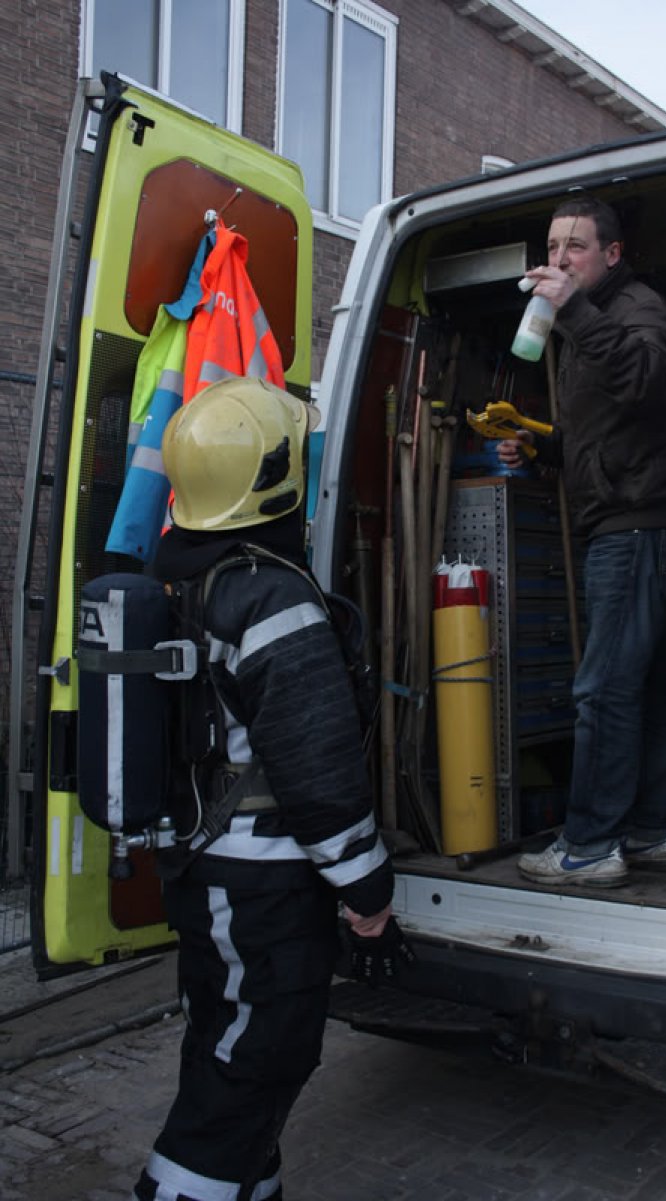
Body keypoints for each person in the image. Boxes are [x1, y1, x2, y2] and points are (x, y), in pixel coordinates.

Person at [132, 375, 412, 1201]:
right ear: (275, 481)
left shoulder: (188, 577)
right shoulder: (271, 595)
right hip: (261, 883)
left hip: (209, 869)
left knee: (231, 1043)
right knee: (257, 1059)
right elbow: (317, 767)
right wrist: (368, 894)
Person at [500, 196, 666, 888]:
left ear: (611, 255)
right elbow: (609, 437)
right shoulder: (588, 324)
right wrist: (541, 447)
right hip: (637, 519)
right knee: (641, 688)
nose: (558, 260)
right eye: (553, 247)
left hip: (640, 526)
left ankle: (590, 843)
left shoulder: (637, 311)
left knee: (604, 690)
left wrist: (577, 314)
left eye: (575, 247)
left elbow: (649, 380)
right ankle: (651, 831)